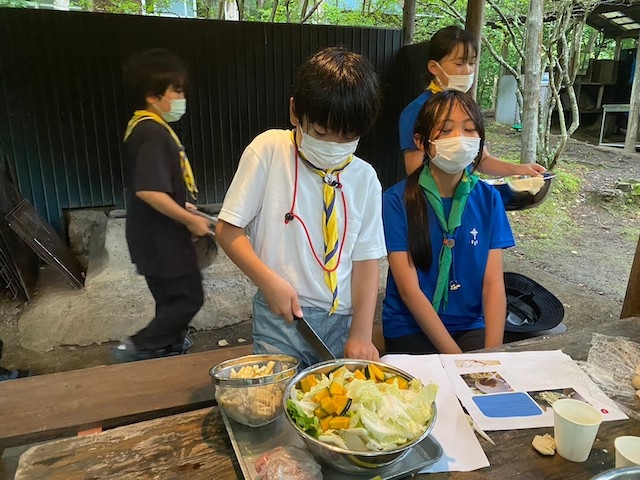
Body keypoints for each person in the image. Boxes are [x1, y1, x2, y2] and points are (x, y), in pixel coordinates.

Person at [215, 47, 386, 368]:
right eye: (321, 133)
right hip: (281, 319)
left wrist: (362, 333)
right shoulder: (269, 151)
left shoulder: (365, 178)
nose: (334, 146)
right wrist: (269, 282)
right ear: (295, 112)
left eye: (348, 137)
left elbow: (366, 261)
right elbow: (227, 230)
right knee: (277, 404)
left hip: (342, 323)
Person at [383, 89, 515, 354]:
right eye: (445, 130)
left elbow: (493, 284)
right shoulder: (396, 201)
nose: (460, 139)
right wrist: (459, 362)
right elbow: (410, 292)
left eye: (469, 129)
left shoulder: (489, 198)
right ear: (421, 142)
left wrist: (493, 355)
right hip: (409, 325)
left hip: (470, 324)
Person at [112, 49, 211, 363]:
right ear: (153, 96)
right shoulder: (152, 133)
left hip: (153, 236)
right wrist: (189, 219)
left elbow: (158, 187)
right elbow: (150, 191)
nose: (182, 97)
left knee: (171, 298)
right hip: (160, 238)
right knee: (188, 296)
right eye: (176, 90)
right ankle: (139, 347)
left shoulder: (146, 128)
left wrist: (184, 206)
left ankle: (168, 345)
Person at [399, 25, 547, 177]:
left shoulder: (468, 107)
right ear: (434, 67)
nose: (468, 70)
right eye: (459, 63)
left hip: (466, 194)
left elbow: (481, 160)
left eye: (471, 63)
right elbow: (414, 171)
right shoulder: (416, 111)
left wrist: (520, 169)